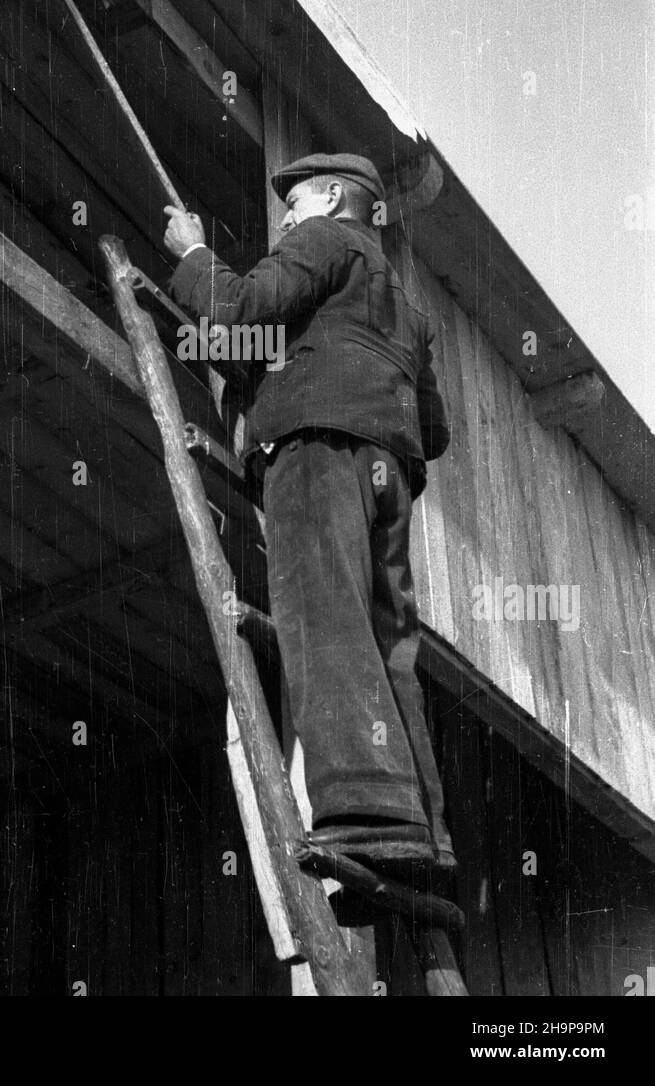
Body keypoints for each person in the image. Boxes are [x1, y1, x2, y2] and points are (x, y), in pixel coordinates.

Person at [163, 153, 454, 868]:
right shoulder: (409, 315)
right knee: (389, 648)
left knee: (321, 616)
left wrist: (194, 254)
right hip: (388, 471)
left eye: (292, 204)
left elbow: (234, 308)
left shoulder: (323, 240)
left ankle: (364, 807)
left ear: (329, 199)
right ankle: (423, 832)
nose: (285, 220)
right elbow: (436, 434)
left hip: (316, 452)